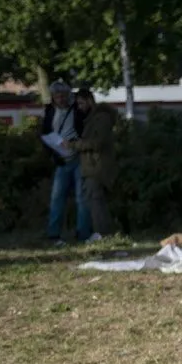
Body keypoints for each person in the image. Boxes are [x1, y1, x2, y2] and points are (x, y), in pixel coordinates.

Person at [63, 89, 118, 240]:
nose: (79, 107)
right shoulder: (93, 119)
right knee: (93, 199)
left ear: (89, 100)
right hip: (93, 165)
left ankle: (103, 233)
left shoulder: (101, 119)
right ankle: (102, 232)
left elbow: (97, 142)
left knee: (95, 200)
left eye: (81, 103)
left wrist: (75, 145)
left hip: (98, 166)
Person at [41, 80, 90, 245]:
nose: (60, 99)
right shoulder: (49, 111)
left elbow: (85, 126)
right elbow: (45, 131)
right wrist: (51, 151)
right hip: (60, 159)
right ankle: (53, 234)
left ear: (68, 96)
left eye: (63, 95)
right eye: (57, 96)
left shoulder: (77, 109)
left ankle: (83, 233)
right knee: (57, 198)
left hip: (77, 157)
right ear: (53, 97)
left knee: (81, 198)